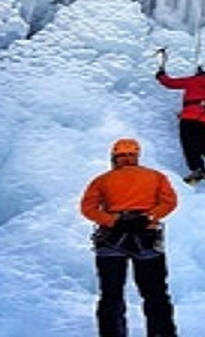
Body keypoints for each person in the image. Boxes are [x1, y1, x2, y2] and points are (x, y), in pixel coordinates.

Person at [80, 138, 179, 337]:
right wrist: (149, 217)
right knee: (155, 294)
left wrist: (112, 220)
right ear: (136, 156)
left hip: (111, 239)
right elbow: (169, 202)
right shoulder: (156, 177)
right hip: (147, 237)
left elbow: (88, 208)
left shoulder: (102, 180)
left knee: (111, 294)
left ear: (114, 157)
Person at [155, 62, 205, 188]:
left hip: (191, 116)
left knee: (189, 143)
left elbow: (171, 83)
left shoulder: (194, 80)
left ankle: (199, 169)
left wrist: (161, 75)